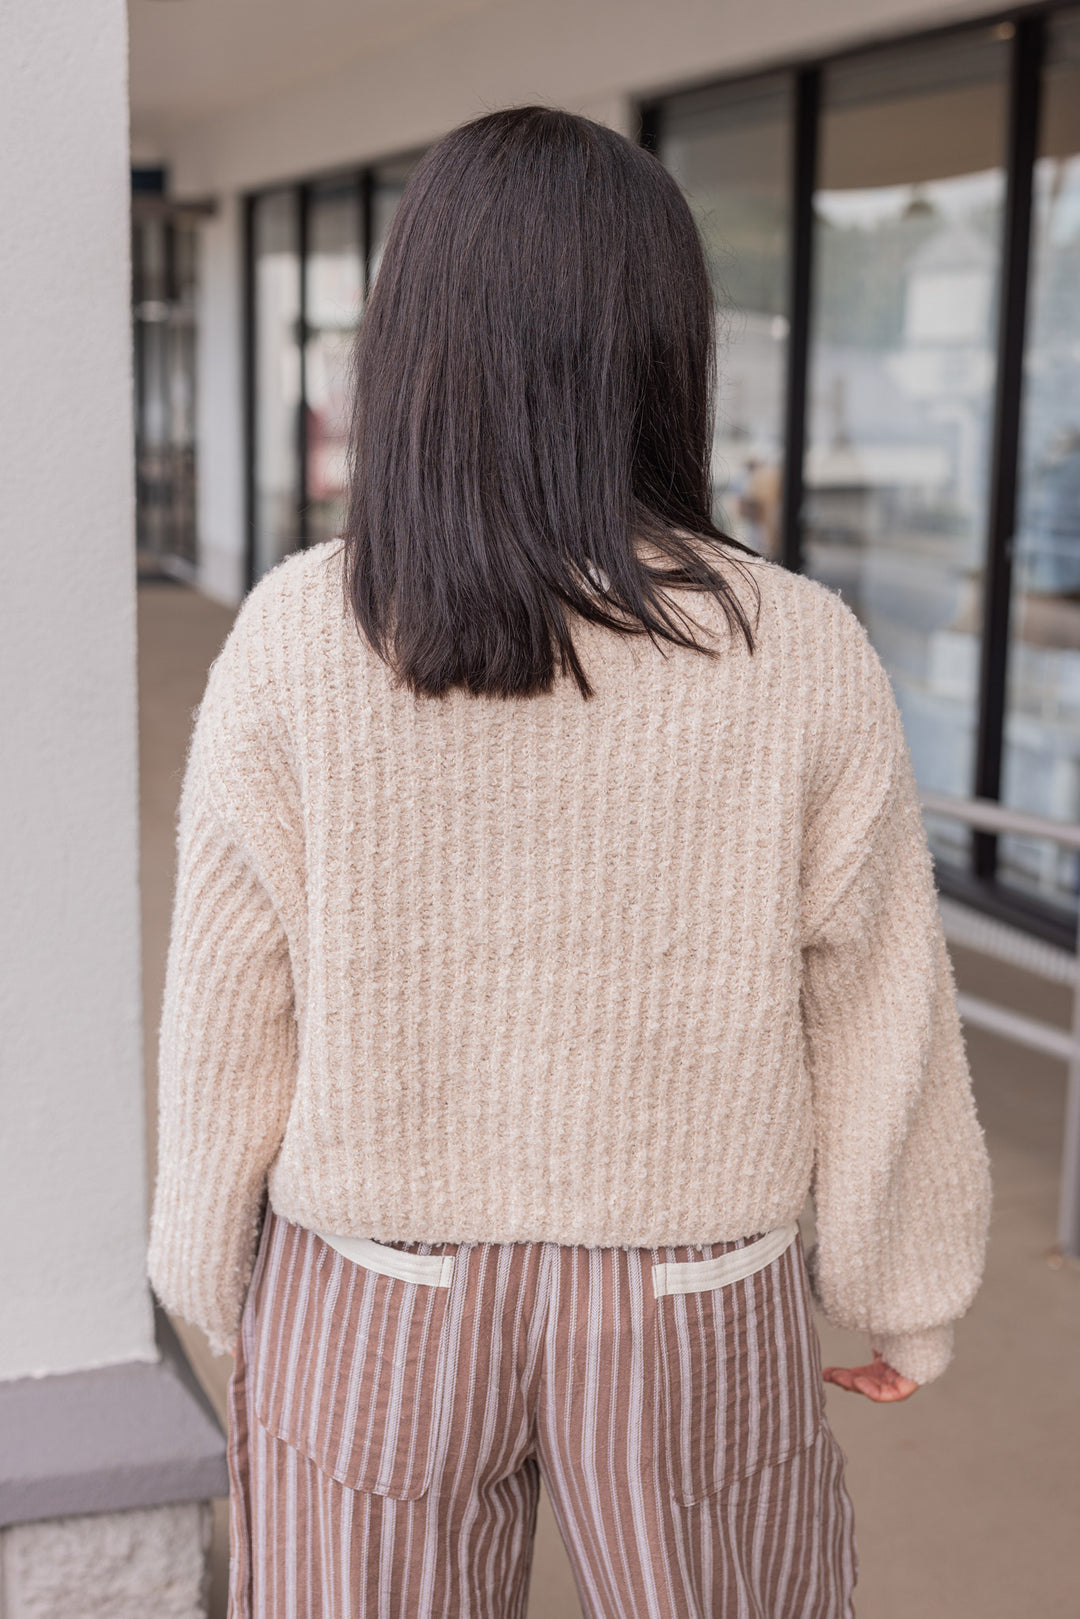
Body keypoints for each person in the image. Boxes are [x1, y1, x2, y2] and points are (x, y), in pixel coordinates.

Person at [147, 106, 991, 1619]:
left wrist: (211, 1270)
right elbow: (877, 1002)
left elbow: (230, 997)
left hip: (373, 1288)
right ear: (663, 348)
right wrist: (900, 1284)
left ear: (411, 341)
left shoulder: (298, 631)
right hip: (690, 1289)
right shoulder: (792, 643)